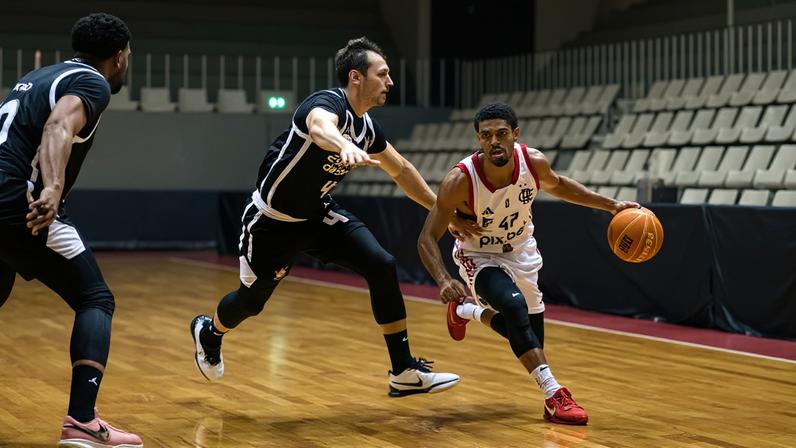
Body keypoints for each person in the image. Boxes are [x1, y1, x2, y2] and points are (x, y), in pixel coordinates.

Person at [191, 37, 476, 397]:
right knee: (251, 302)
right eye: (383, 74)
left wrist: (443, 212)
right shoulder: (326, 104)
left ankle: (402, 370)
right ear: (356, 77)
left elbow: (401, 170)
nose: (390, 82)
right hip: (272, 223)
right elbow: (319, 128)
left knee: (381, 263)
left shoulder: (367, 127)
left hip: (318, 216)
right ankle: (210, 332)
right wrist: (344, 146)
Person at [417, 102, 640, 425]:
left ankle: (466, 311)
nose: (494, 141)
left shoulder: (532, 163)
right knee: (514, 307)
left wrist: (611, 205)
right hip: (478, 255)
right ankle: (555, 395)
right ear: (478, 140)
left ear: (515, 135)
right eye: (486, 136)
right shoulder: (460, 181)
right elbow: (426, 238)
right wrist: (442, 280)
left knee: (527, 336)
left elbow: (561, 185)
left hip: (522, 252)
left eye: (501, 134)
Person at [0, 13, 143, 447]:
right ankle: (82, 421)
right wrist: (54, 187)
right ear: (118, 57)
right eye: (128, 56)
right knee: (94, 297)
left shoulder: (36, 76)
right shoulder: (92, 83)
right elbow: (58, 126)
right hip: (15, 199)